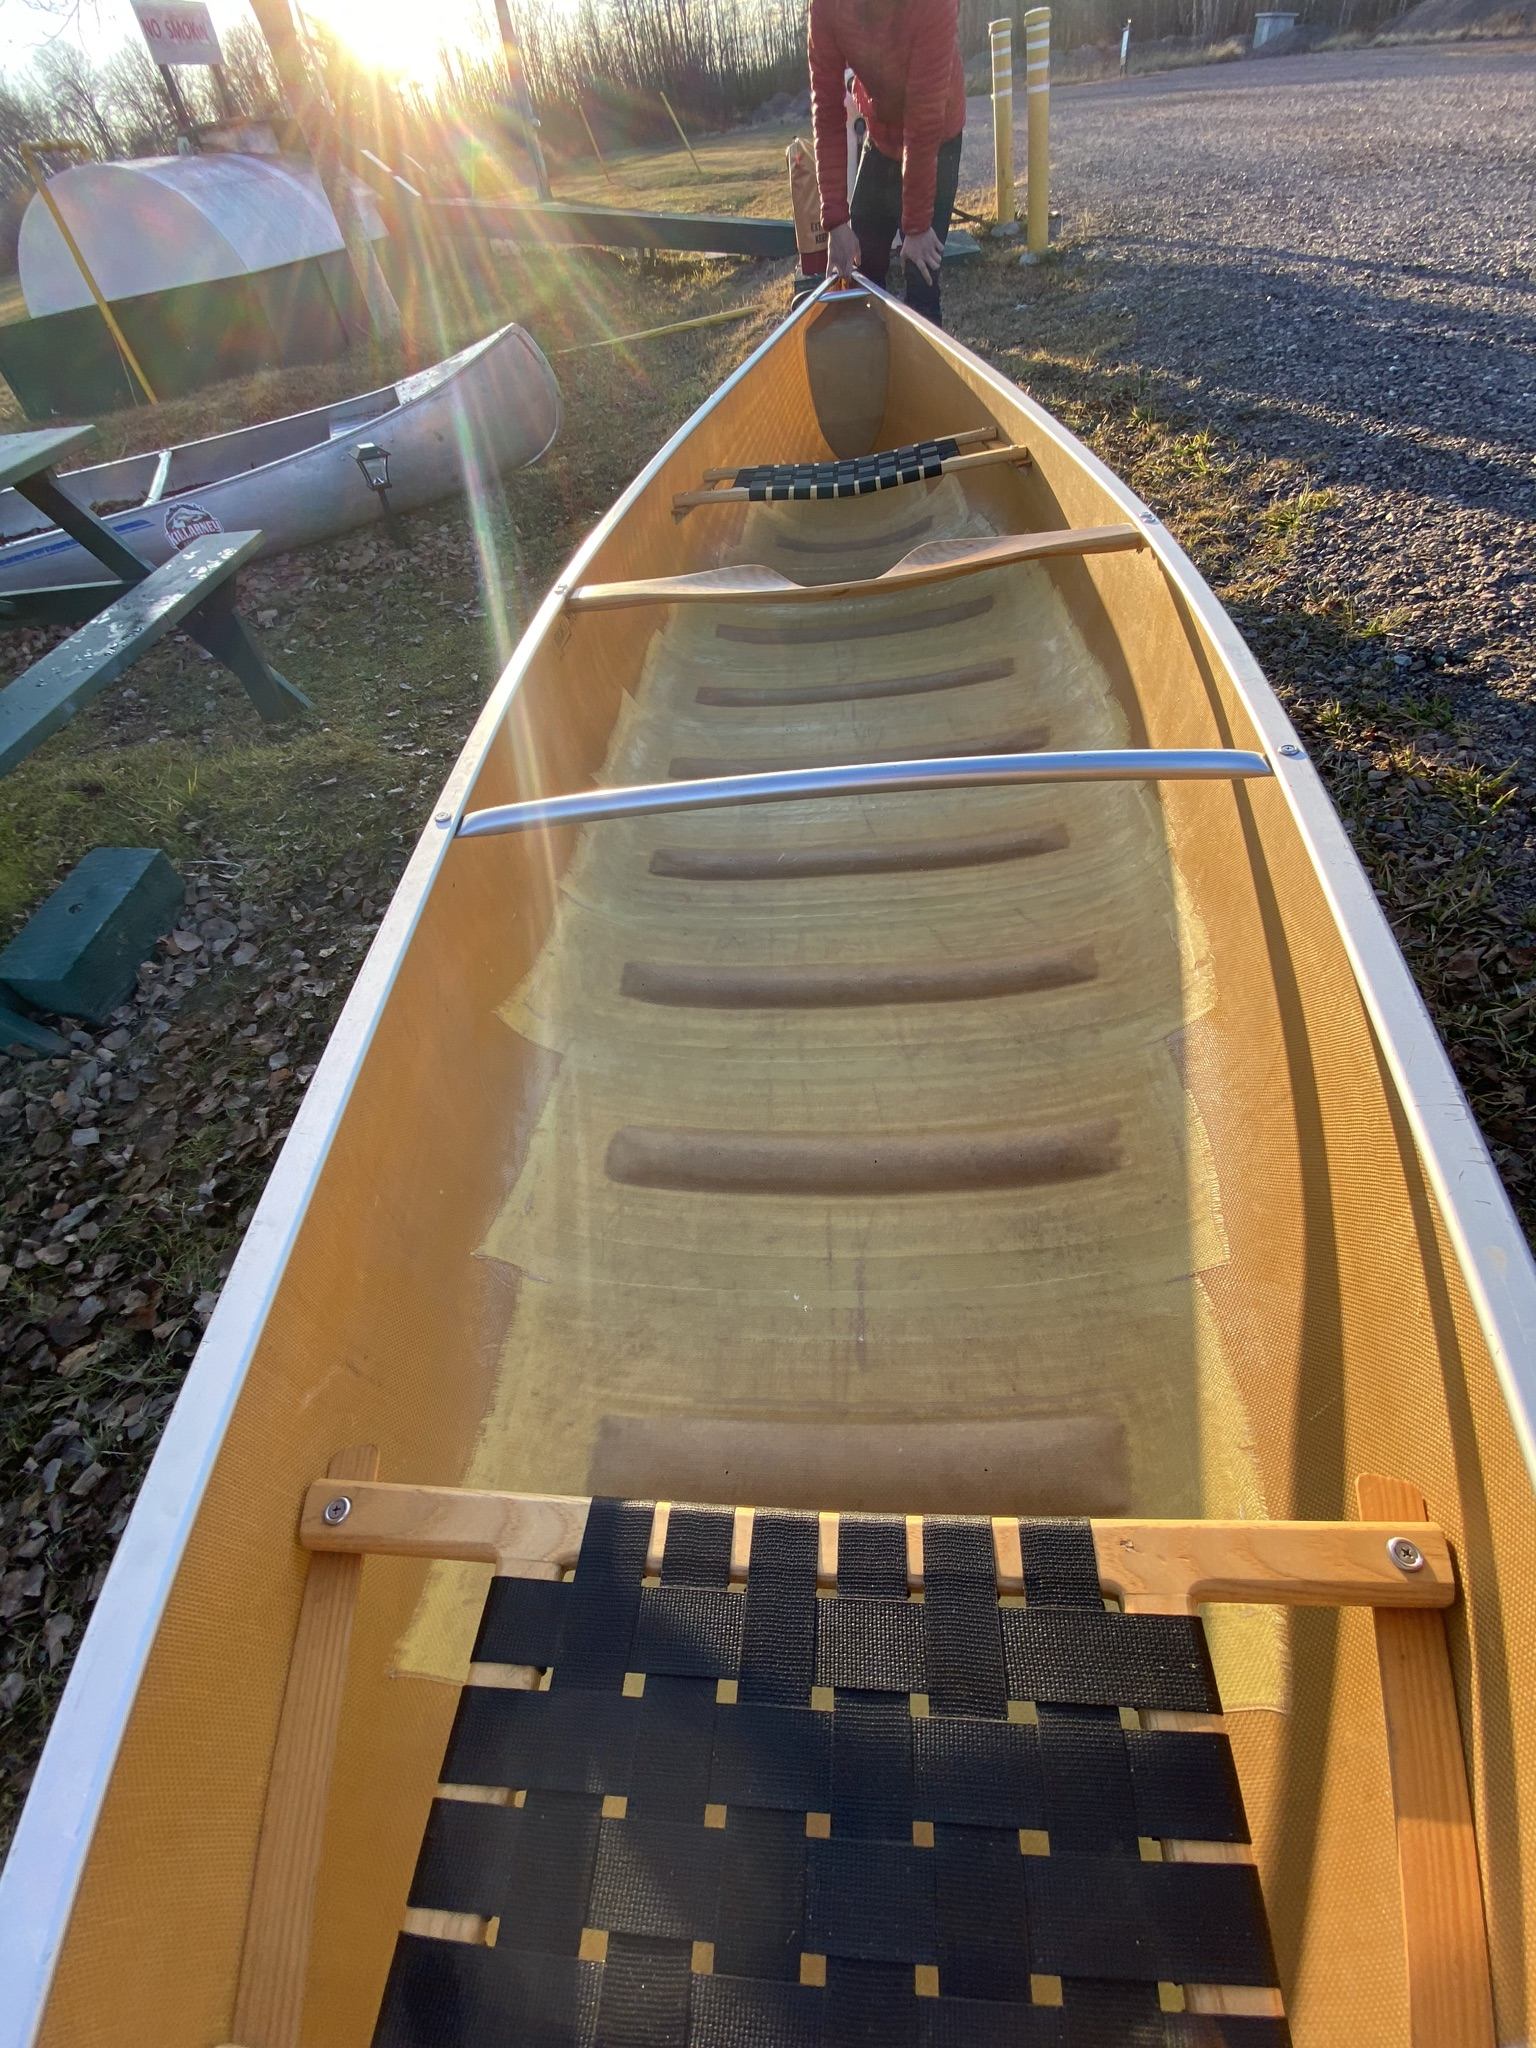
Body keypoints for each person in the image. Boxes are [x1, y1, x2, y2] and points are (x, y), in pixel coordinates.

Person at [808, 0, 967, 326]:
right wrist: (836, 219)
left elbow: (923, 119)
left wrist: (918, 224)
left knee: (921, 272)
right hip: (881, 134)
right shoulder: (826, 6)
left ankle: (922, 367)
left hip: (936, 136)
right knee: (863, 264)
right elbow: (827, 110)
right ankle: (870, 363)